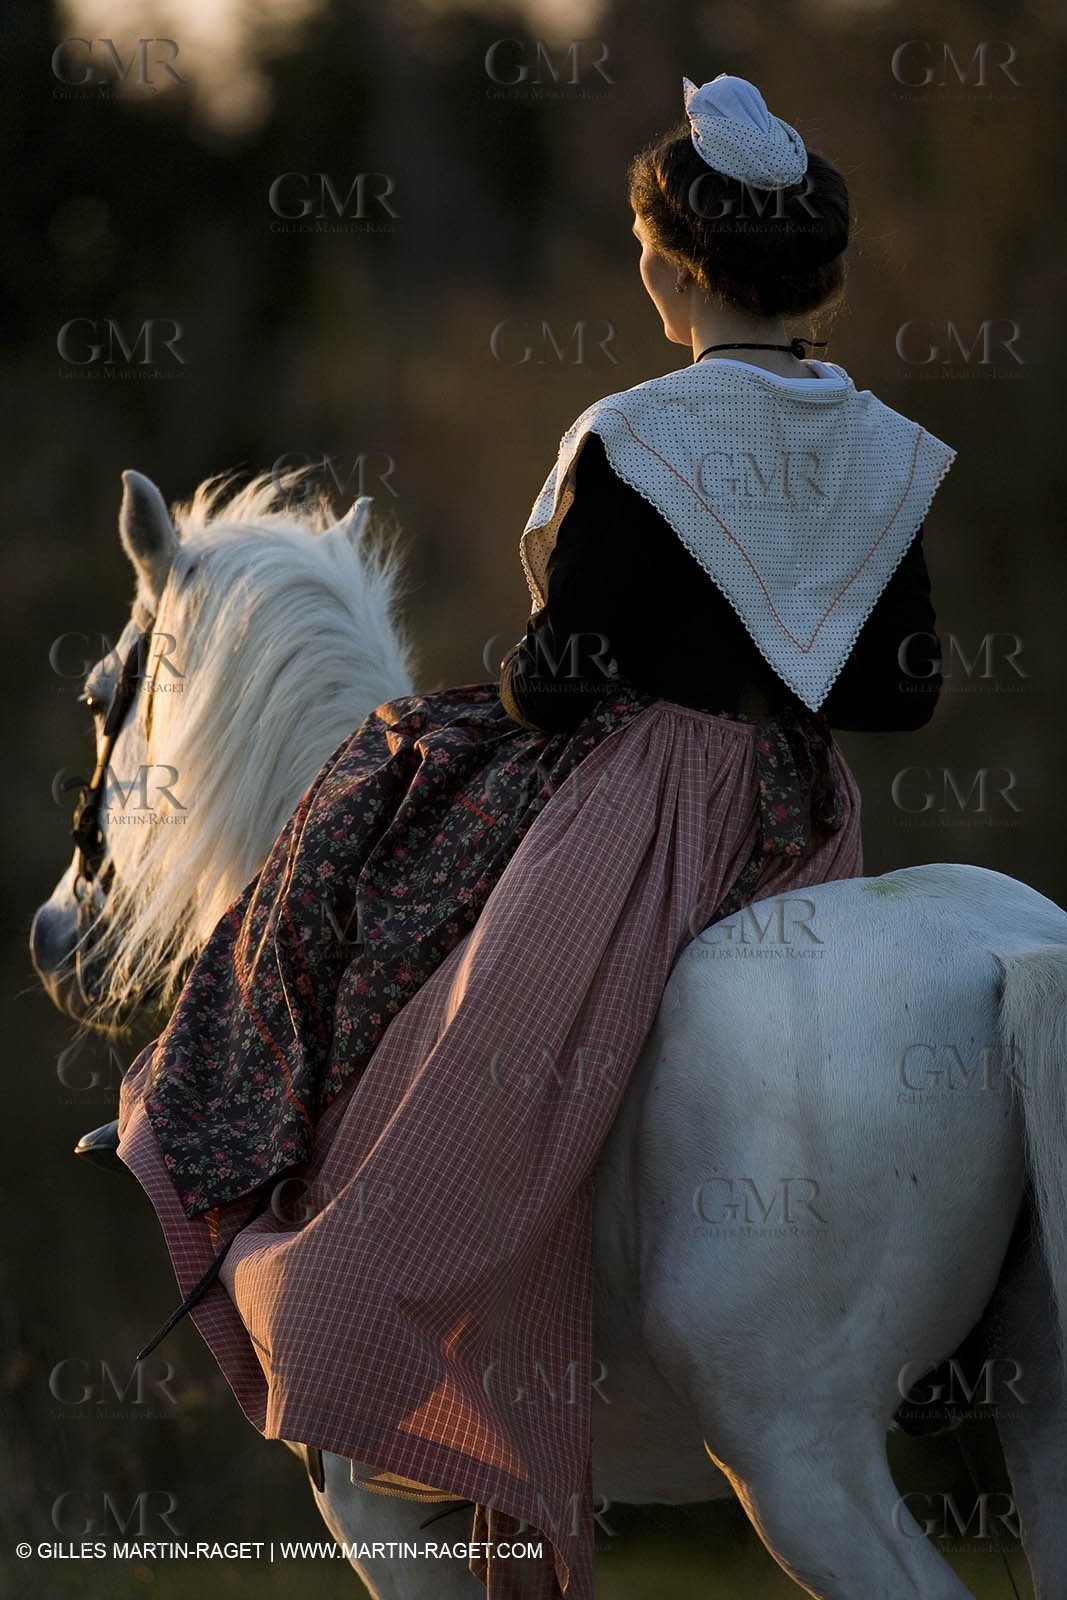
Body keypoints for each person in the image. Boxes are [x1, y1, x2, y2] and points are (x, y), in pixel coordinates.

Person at [111, 73, 953, 1600]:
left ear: (673, 270)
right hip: (796, 807)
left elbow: (558, 682)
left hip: (646, 804)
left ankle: (350, 1258)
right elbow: (905, 694)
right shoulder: (884, 444)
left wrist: (540, 676)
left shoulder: (633, 434)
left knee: (401, 884)